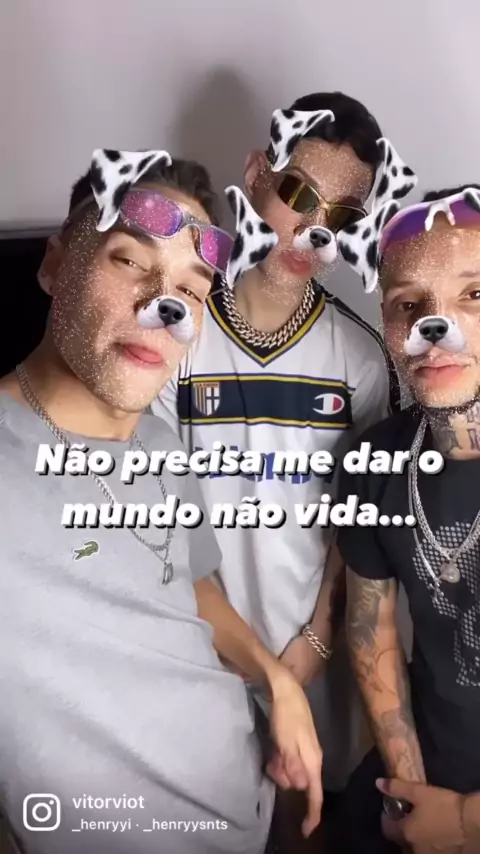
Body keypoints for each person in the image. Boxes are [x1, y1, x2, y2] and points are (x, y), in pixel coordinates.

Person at [0, 150, 323, 854]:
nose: (164, 306)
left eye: (191, 289)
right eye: (129, 261)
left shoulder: (161, 441)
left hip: (256, 798)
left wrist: (275, 680)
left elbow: (188, 582)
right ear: (55, 264)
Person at [152, 90, 411, 845]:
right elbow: (156, 516)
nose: (312, 231)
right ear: (256, 174)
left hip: (313, 662)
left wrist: (317, 641)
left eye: (342, 215)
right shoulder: (174, 335)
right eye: (298, 194)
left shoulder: (362, 359)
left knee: (307, 829)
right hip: (193, 650)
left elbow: (358, 530)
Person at [336, 184, 480, 852]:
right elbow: (374, 632)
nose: (436, 327)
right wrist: (410, 793)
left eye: (474, 294)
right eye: (409, 304)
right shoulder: (373, 461)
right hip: (423, 780)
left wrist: (467, 826)